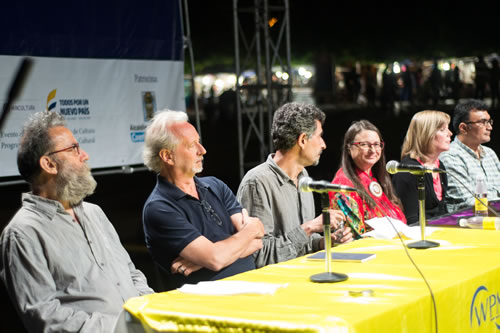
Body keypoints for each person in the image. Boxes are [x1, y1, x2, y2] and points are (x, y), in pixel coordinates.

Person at [0, 111, 154, 333]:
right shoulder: (23, 232)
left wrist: (152, 312)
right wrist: (124, 328)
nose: (85, 155)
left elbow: (131, 273)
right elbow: (46, 318)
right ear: (49, 164)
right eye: (74, 149)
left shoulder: (94, 213)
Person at [142, 110, 264, 290]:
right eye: (192, 145)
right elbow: (217, 258)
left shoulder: (215, 185)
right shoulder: (159, 208)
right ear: (167, 156)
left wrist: (202, 261)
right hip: (207, 304)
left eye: (199, 142)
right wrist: (250, 229)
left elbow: (258, 240)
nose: (203, 150)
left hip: (252, 287)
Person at [236, 102, 352, 268]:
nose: (323, 144)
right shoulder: (257, 182)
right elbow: (258, 256)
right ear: (303, 140)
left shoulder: (303, 177)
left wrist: (326, 242)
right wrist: (310, 228)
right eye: (319, 136)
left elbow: (302, 244)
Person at [331, 120, 406, 238]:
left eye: (376, 144)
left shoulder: (375, 178)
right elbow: (354, 235)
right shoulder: (344, 184)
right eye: (365, 144)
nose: (372, 150)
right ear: (349, 148)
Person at [439, 100, 500, 212]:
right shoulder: (450, 156)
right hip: (467, 222)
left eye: (489, 122)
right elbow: (468, 201)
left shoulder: (490, 153)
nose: (490, 127)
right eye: (483, 122)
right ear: (463, 128)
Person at [392, 111, 452, 225]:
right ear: (427, 134)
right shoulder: (408, 172)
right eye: (443, 129)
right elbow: (411, 221)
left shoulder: (439, 166)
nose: (450, 133)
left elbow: (442, 211)